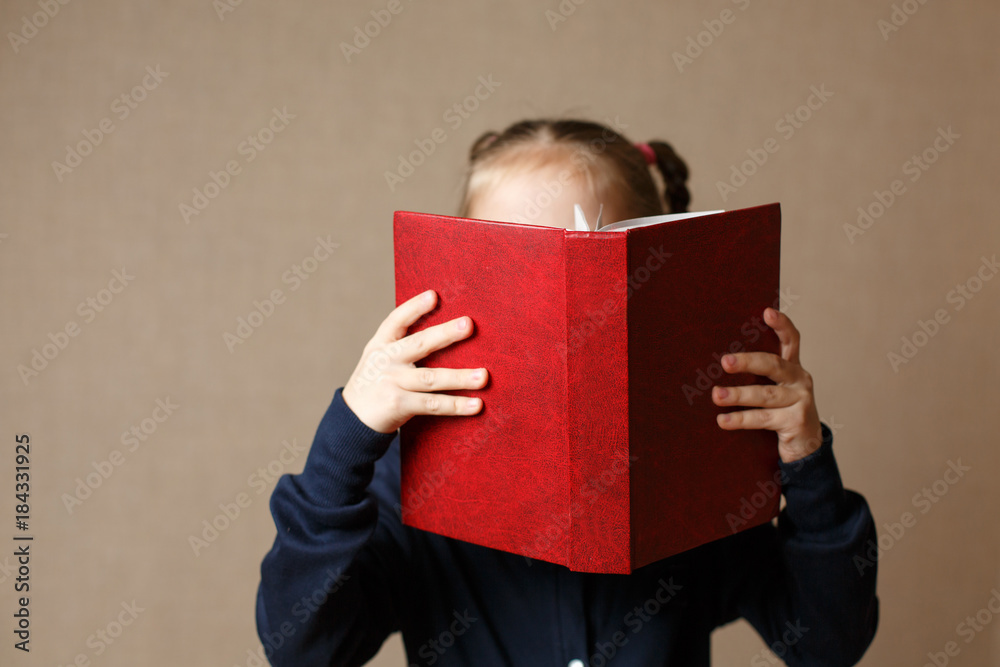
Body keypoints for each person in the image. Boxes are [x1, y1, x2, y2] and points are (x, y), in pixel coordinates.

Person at [255, 119, 879, 666]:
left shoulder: (694, 466)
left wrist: (805, 459)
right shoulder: (413, 479)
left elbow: (828, 643)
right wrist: (350, 435)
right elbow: (305, 649)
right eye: (515, 269)